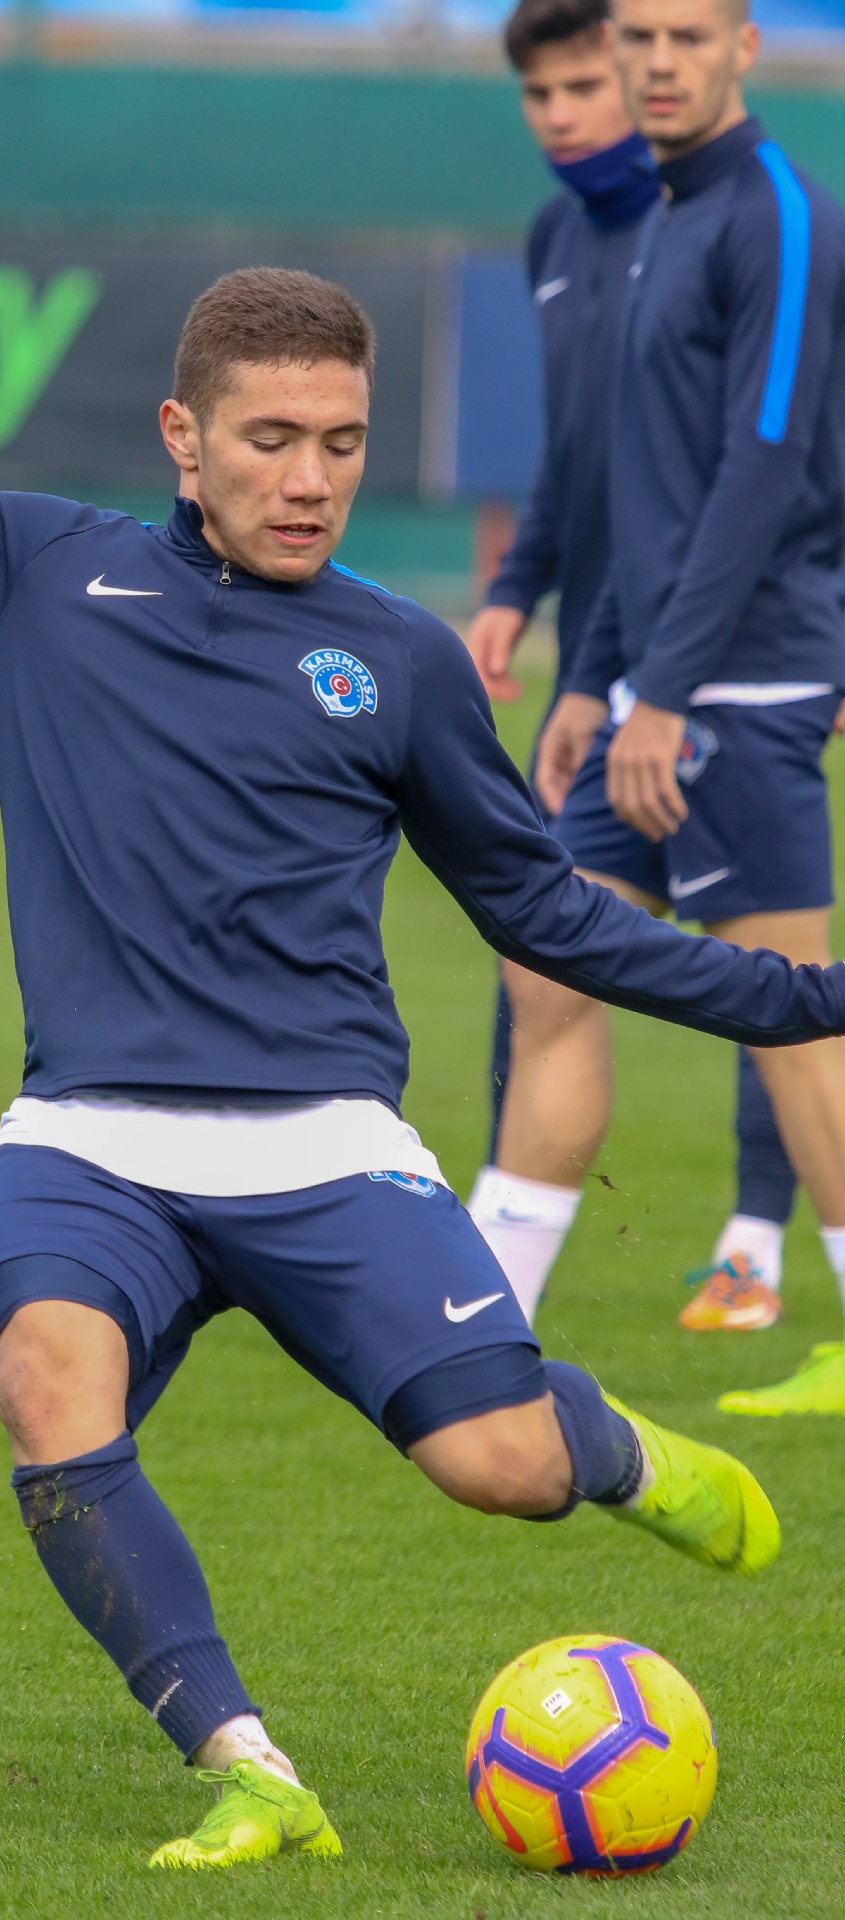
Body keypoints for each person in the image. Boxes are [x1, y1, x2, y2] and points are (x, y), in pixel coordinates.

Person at [0, 42, 834, 1870]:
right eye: (271, 441)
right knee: (49, 1382)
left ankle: (614, 1452)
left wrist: (811, 996)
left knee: (501, 1471)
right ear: (184, 437)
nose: (311, 479)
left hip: (325, 1143)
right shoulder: (36, 577)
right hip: (91, 1136)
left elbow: (547, 913)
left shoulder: (399, 659)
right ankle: (250, 1767)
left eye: (341, 442)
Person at [495, 0, 845, 1413]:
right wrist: (596, 678)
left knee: (795, 1015)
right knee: (549, 976)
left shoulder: (777, 213)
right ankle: (482, 1330)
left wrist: (672, 692)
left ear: (746, 46)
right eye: (638, 36)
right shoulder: (655, 216)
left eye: (687, 38)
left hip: (739, 687)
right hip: (651, 686)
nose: (655, 62)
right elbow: (638, 492)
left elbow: (766, 468)